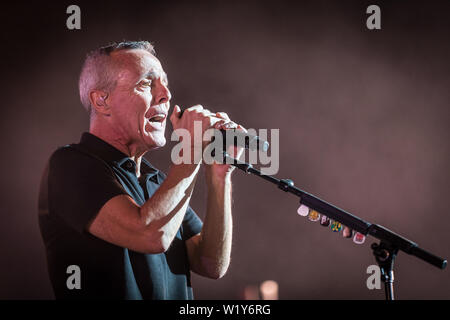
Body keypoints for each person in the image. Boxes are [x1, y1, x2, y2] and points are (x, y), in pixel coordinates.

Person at [38, 41, 244, 299]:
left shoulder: (157, 181)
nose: (166, 95)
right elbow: (150, 236)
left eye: (165, 83)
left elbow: (211, 263)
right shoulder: (70, 165)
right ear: (101, 100)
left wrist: (219, 176)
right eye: (147, 83)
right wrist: (190, 151)